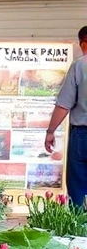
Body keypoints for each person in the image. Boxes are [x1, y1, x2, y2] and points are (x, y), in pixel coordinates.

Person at [46, 26, 87, 207]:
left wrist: (50, 131)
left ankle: (79, 230)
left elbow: (64, 104)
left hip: (83, 135)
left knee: (78, 188)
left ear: (83, 43)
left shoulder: (80, 65)